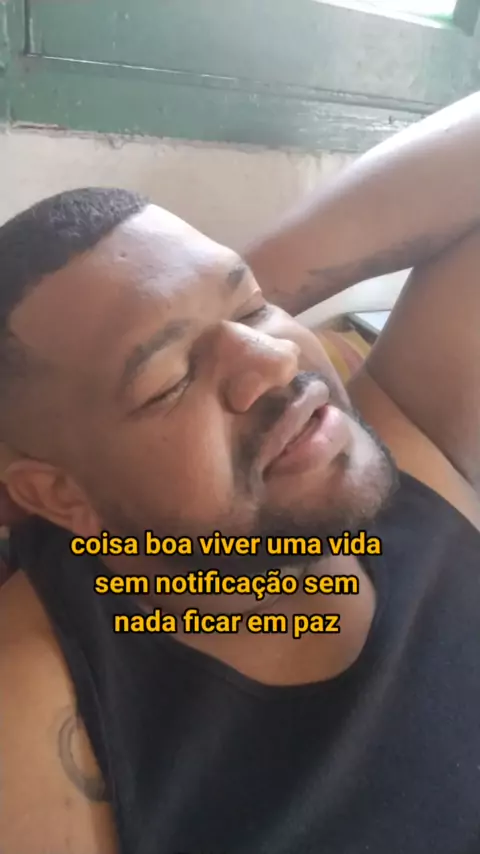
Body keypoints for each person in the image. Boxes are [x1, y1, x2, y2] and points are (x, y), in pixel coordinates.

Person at [1, 92, 480, 854]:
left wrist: (219, 294)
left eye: (257, 308)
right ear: (61, 494)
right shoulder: (42, 707)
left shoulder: (406, 439)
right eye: (167, 381)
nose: (276, 360)